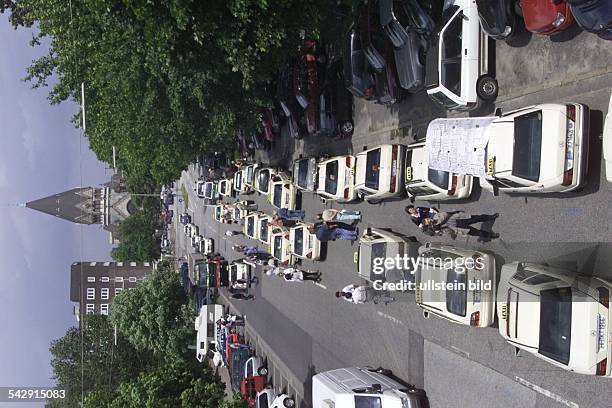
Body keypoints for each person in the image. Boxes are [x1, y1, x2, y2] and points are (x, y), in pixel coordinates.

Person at [423, 213, 500, 240]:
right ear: (429, 225)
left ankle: (491, 217)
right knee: (477, 233)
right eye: (428, 222)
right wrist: (439, 230)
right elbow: (449, 232)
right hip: (460, 228)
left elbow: (445, 214)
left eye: (428, 219)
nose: (429, 221)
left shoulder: (436, 216)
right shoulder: (437, 230)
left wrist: (439, 223)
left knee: (478, 218)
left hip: (460, 219)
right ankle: (491, 235)